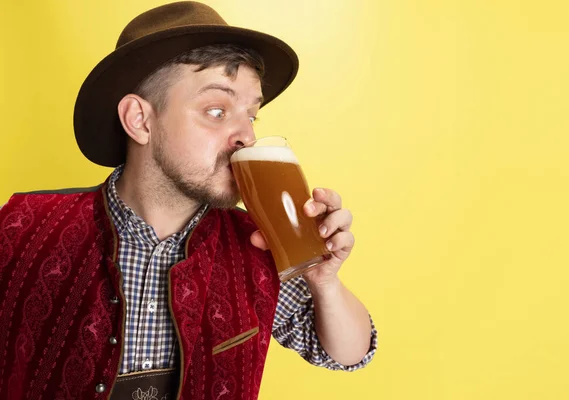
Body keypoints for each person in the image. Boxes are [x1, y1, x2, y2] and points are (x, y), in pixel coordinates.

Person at [0, 2, 377, 399]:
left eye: (252, 115)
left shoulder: (260, 245)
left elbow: (347, 354)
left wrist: (325, 282)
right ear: (141, 121)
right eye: (217, 110)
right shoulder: (18, 226)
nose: (246, 137)